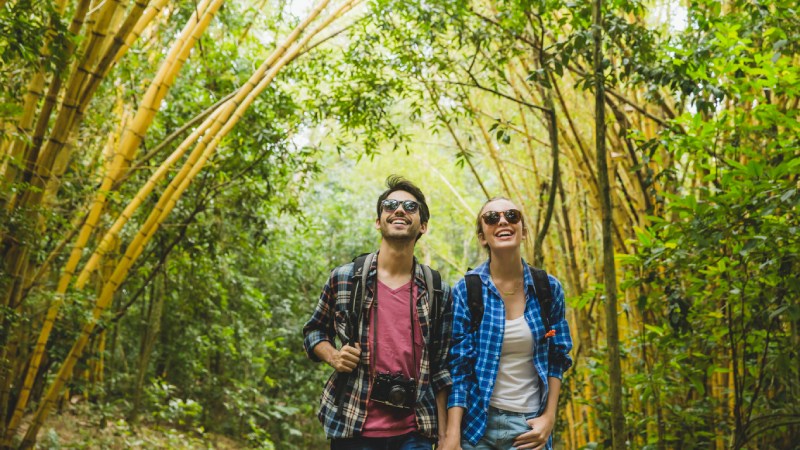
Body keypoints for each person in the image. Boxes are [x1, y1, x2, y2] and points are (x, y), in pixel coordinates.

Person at [303, 175, 453, 450]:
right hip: (352, 426)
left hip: (415, 431)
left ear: (424, 226)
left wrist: (445, 436)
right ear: (378, 221)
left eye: (410, 207)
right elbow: (314, 331)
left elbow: (441, 368)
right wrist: (334, 355)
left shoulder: (438, 291)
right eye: (390, 205)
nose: (399, 210)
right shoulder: (345, 278)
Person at [440, 197, 573, 450]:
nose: (502, 220)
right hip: (477, 425)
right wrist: (452, 434)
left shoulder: (548, 288)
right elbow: (459, 367)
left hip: (528, 426)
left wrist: (549, 418)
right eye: (491, 218)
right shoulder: (467, 290)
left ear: (523, 231)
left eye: (512, 215)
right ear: (482, 236)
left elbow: (558, 357)